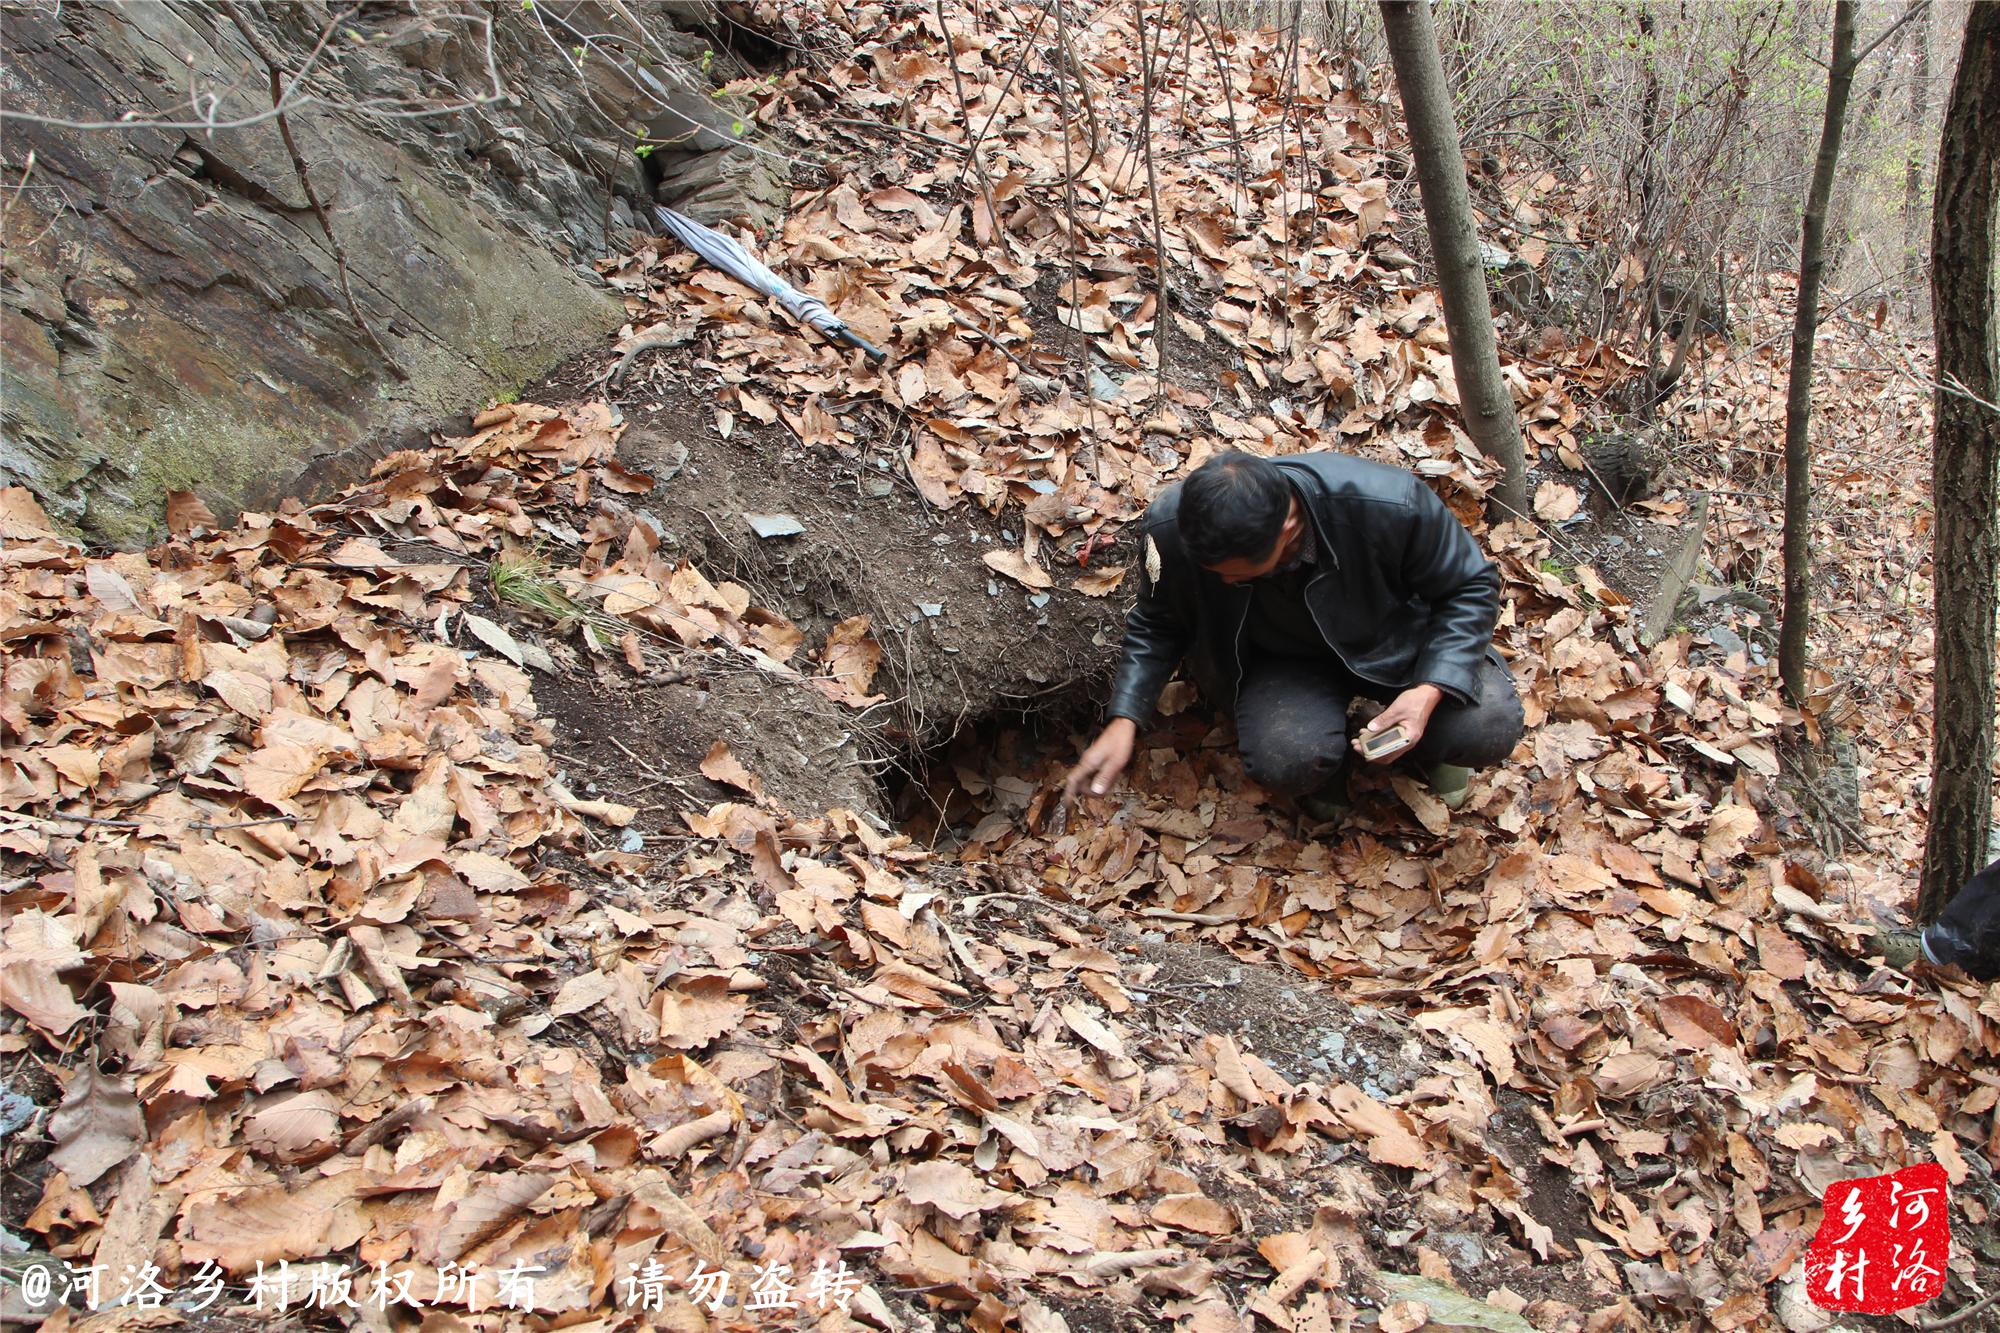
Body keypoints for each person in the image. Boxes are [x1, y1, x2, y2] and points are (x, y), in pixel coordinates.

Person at [1064, 449, 1524, 816]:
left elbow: (1469, 587)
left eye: (1238, 575)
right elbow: (1157, 621)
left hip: (1393, 639)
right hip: (1279, 661)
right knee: (1285, 759)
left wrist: (1429, 690)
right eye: (1216, 574)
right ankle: (1332, 772)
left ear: (1287, 530)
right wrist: (1125, 717)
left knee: (1489, 725)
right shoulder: (1174, 526)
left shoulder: (1388, 502)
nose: (1225, 582)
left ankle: (1429, 747)